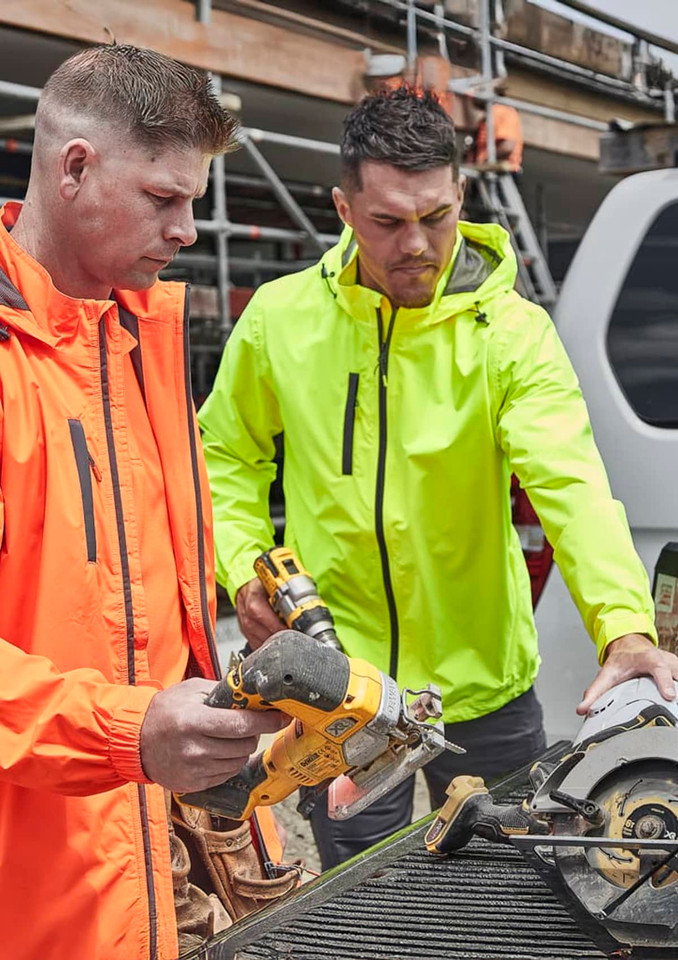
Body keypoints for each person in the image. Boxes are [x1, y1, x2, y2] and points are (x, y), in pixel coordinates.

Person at [198, 86, 678, 870]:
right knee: (361, 894)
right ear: (344, 209)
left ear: (461, 194)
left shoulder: (514, 336)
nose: (417, 243)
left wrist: (624, 626)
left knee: (509, 894)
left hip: (486, 686)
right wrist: (245, 566)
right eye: (389, 221)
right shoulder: (279, 320)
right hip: (341, 689)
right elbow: (226, 453)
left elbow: (572, 483)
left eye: (437, 216)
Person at [0, 44, 290, 960]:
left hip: (177, 837)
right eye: (164, 199)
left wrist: (233, 611)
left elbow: (127, 581)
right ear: (74, 167)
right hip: (49, 868)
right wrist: (129, 732)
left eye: (194, 202)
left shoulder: (140, 333)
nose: (188, 230)